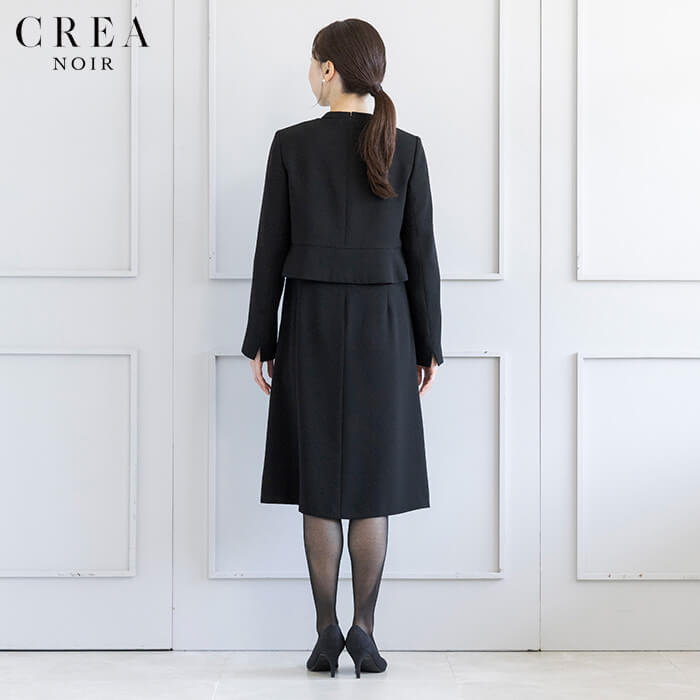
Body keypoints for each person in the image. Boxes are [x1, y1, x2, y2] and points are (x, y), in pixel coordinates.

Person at [241, 18, 444, 679]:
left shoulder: (291, 145)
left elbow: (269, 249)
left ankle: (326, 632)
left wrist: (260, 339)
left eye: (313, 62)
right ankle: (365, 632)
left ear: (329, 69)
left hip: (312, 322)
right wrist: (429, 345)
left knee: (321, 482)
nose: (310, 72)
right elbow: (423, 256)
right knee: (372, 482)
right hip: (386, 326)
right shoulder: (405, 148)